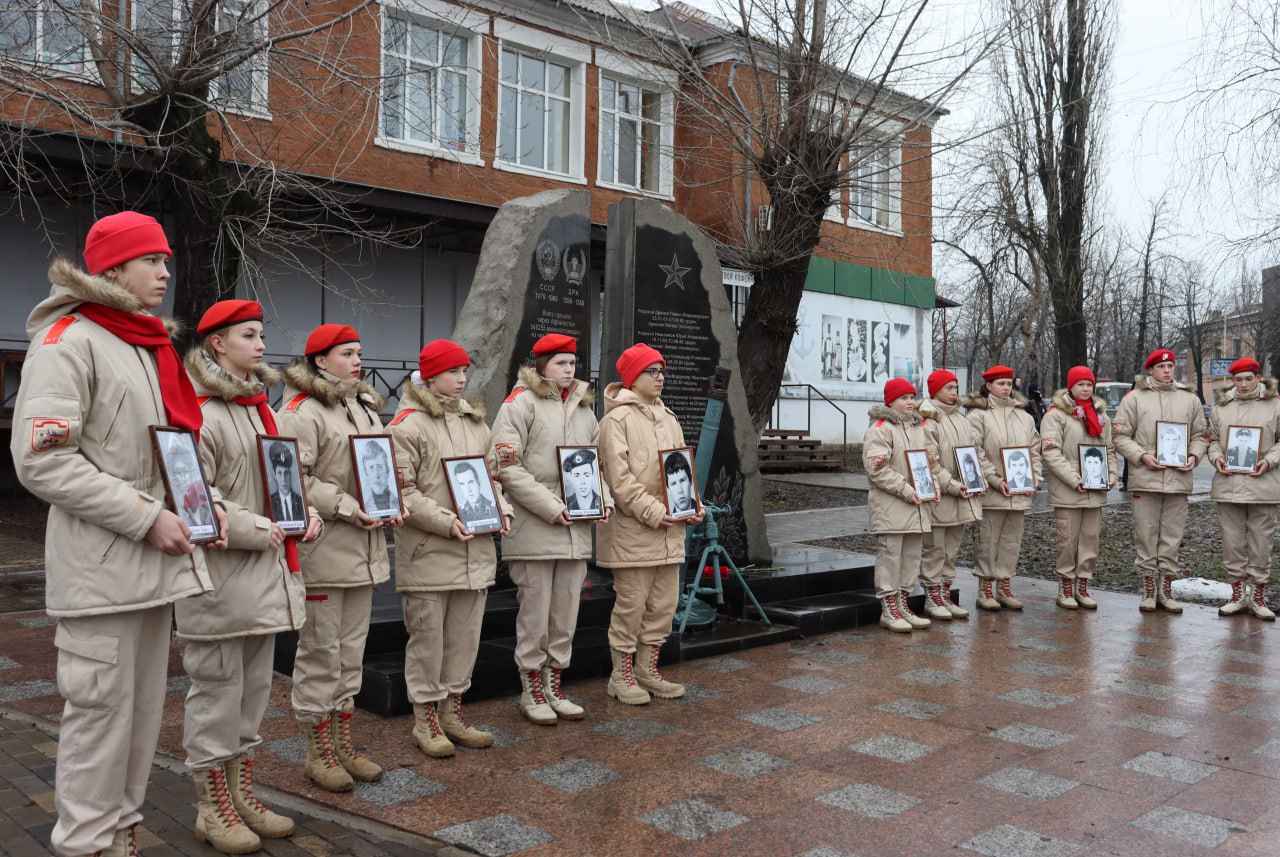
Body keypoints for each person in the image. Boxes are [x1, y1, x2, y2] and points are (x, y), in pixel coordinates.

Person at [10, 211, 218, 857]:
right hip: (103, 571)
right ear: (113, 268)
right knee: (98, 726)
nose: (165, 272)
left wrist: (198, 509)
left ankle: (121, 837)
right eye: (151, 260)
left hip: (149, 570)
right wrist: (146, 516)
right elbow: (43, 461)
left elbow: (165, 454)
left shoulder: (142, 342)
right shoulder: (68, 341)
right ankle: (86, 845)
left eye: (165, 260)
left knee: (140, 724)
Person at [179, 300, 324, 851]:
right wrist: (258, 527)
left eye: (261, 334)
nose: (261, 345)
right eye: (248, 335)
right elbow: (194, 493)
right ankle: (211, 807)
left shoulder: (258, 408)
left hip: (263, 579)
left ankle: (240, 795)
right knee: (215, 698)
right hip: (220, 582)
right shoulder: (199, 411)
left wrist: (303, 513)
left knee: (250, 699)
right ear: (217, 343)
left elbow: (279, 482)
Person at [277, 323, 404, 792]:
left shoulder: (363, 407)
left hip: (363, 554)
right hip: (326, 552)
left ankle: (342, 743)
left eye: (359, 352)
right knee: (321, 655)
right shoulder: (301, 412)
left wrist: (392, 499)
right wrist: (350, 507)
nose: (357, 361)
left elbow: (379, 467)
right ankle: (318, 753)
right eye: (347, 353)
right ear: (319, 360)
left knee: (351, 656)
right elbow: (293, 477)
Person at [391, 340, 512, 757]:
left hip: (474, 553)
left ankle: (452, 714)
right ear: (429, 377)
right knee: (428, 643)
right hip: (429, 552)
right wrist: (446, 521)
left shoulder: (475, 423)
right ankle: (424, 721)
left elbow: (491, 478)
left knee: (464, 640)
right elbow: (402, 491)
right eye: (452, 372)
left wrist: (501, 509)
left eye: (464, 371)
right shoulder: (407, 426)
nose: (462, 379)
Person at [491, 333, 612, 725]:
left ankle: (555, 685)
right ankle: (531, 690)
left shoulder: (583, 409)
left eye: (572, 363)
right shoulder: (519, 404)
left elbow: (592, 463)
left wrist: (603, 499)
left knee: (564, 615)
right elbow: (507, 467)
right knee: (535, 615)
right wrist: (551, 507)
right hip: (535, 529)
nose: (568, 370)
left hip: (574, 532)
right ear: (541, 365)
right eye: (560, 363)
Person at [597, 344, 704, 704]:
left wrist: (693, 505)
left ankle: (647, 670)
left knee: (662, 607)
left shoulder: (668, 417)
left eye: (662, 371)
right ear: (633, 378)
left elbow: (681, 470)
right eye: (652, 372)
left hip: (670, 534)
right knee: (631, 607)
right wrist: (657, 513)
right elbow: (619, 482)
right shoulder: (616, 421)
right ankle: (621, 676)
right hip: (633, 535)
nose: (660, 378)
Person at [1113, 348, 1208, 613]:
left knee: (1172, 535)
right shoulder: (1135, 398)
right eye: (1161, 367)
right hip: (1146, 478)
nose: (1167, 371)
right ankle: (1148, 587)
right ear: (1151, 370)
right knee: (1146, 533)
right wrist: (1142, 456)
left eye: (1170, 366)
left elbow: (1201, 435)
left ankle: (1166, 588)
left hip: (1178, 479)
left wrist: (1194, 455)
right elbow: (1119, 436)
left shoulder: (1190, 399)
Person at [863, 378, 942, 632]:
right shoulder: (880, 429)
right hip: (891, 506)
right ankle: (889, 609)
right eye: (903, 398)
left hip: (917, 506)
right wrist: (907, 490)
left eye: (912, 397)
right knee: (890, 556)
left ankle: (903, 604)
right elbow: (878, 469)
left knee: (911, 557)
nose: (910, 402)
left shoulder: (919, 428)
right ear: (890, 401)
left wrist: (932, 486)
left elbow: (928, 464)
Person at [1206, 357, 1280, 620]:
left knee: (1261, 542)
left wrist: (1269, 461)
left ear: (1258, 378)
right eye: (1238, 379)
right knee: (1232, 542)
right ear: (1232, 380)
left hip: (1263, 485)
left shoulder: (1275, 405)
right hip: (1229, 484)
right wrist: (1217, 458)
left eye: (1249, 379)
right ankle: (1237, 594)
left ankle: (1257, 596)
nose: (1244, 384)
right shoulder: (1221, 408)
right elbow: (1213, 440)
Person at [964, 364, 1042, 611]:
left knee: (1011, 541)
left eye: (1009, 383)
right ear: (988, 386)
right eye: (1000, 384)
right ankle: (985, 587)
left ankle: (1004, 584)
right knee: (987, 540)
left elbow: (1034, 450)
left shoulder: (1024, 417)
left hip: (1018, 492)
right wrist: (996, 480)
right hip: (991, 492)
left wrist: (1034, 477)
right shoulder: (978, 416)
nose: (1006, 388)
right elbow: (975, 453)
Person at [1040, 366, 1118, 610]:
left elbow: (1110, 450)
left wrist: (1111, 475)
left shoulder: (1101, 417)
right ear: (1070, 387)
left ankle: (1082, 584)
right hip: (1069, 490)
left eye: (1089, 385)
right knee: (1067, 540)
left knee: (1089, 539)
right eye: (1080, 384)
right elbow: (1051, 453)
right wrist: (1075, 479)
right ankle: (1065, 585)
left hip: (1095, 490)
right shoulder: (1056, 415)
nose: (1086, 389)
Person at [918, 369, 984, 620]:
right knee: (934, 549)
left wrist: (977, 479)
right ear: (935, 390)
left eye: (956, 387)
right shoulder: (928, 420)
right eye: (949, 388)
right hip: (941, 497)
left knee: (952, 550)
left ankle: (945, 594)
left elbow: (973, 452)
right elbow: (930, 462)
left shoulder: (961, 418)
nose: (954, 392)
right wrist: (953, 485)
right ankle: (932, 597)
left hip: (962, 497)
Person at [454, 460, 499, 529]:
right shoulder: (459, 512)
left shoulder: (495, 507)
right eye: (462, 484)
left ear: (478, 482)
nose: (468, 489)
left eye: (471, 482)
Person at [269, 442, 304, 526]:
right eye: (279, 473)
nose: (283, 479)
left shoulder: (300, 501)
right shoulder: (270, 502)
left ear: (290, 473)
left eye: (286, 473)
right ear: (274, 474)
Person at [563, 449, 603, 516]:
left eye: (586, 475)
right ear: (571, 477)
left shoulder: (603, 504)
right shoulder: (565, 505)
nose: (582, 482)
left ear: (592, 475)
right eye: (577, 475)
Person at [360, 441, 396, 515]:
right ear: (366, 473)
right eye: (371, 468)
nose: (376, 474)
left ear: (387, 471)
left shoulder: (400, 505)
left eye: (380, 467)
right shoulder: (363, 509)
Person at [663, 451, 698, 516]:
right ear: (668, 489)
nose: (680, 490)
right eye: (673, 483)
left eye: (682, 480)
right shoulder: (668, 518)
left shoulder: (701, 511)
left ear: (690, 481)